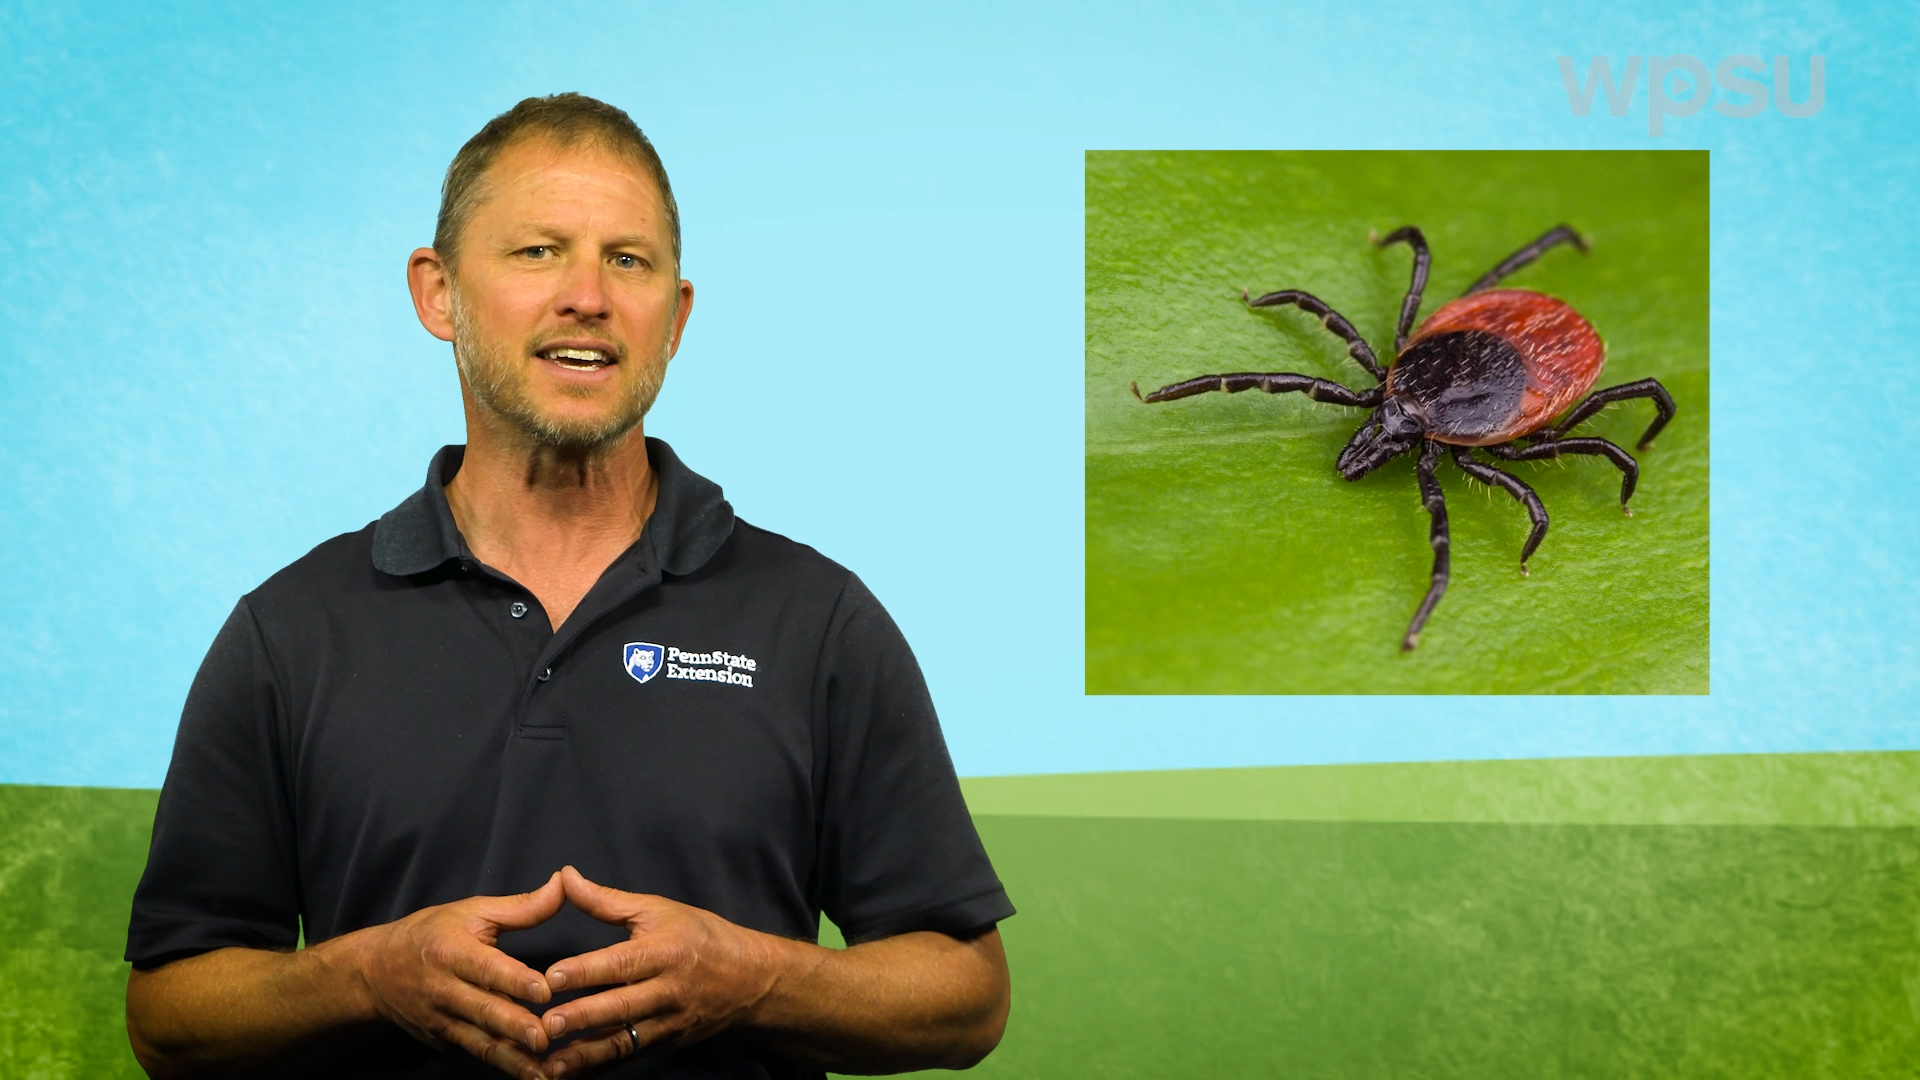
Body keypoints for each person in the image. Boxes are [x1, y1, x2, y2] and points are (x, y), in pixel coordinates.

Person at [124, 93, 1014, 1080]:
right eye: (538, 252)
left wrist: (753, 976)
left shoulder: (816, 618)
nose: (588, 295)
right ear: (439, 293)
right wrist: (364, 977)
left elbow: (967, 993)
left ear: (674, 317)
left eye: (627, 260)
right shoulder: (291, 632)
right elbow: (169, 1016)